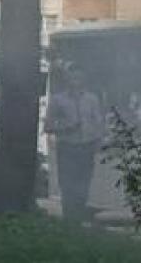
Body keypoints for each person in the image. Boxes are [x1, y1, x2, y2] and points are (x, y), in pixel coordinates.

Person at [45, 67, 104, 222]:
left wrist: (98, 141)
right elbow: (48, 126)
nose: (75, 82)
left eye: (78, 78)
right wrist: (66, 128)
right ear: (67, 80)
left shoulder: (92, 99)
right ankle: (69, 216)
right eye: (72, 78)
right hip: (67, 147)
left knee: (84, 181)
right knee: (67, 182)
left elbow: (98, 122)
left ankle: (79, 213)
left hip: (86, 147)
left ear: (84, 80)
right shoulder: (58, 100)